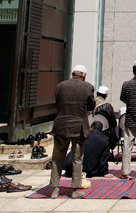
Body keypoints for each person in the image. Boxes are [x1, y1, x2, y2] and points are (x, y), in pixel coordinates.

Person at [49, 65, 96, 199]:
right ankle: (75, 189)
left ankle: (55, 189)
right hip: (78, 127)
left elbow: (58, 103)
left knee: (57, 158)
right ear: (84, 75)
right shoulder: (87, 87)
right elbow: (91, 105)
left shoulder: (60, 86)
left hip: (61, 125)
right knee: (77, 159)